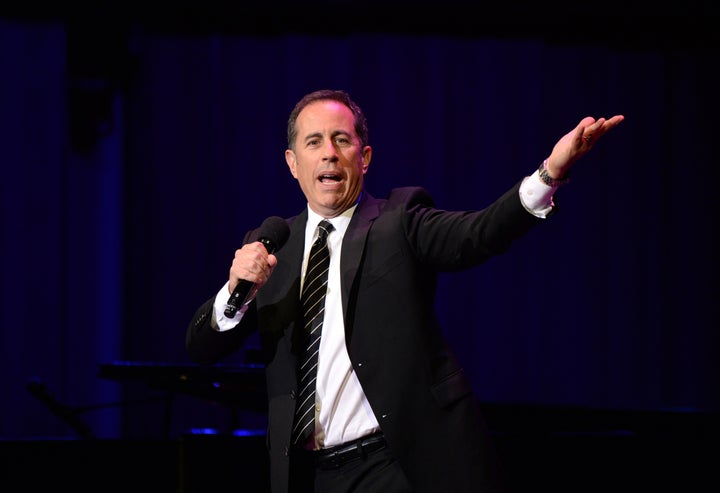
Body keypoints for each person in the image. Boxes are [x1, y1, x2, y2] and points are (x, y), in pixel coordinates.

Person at [186, 88, 624, 493]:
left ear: (365, 157)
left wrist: (549, 173)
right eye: (314, 142)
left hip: (393, 465)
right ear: (292, 162)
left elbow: (479, 233)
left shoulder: (399, 221)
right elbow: (201, 348)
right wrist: (235, 291)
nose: (330, 155)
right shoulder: (270, 250)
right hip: (306, 475)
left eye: (342, 140)